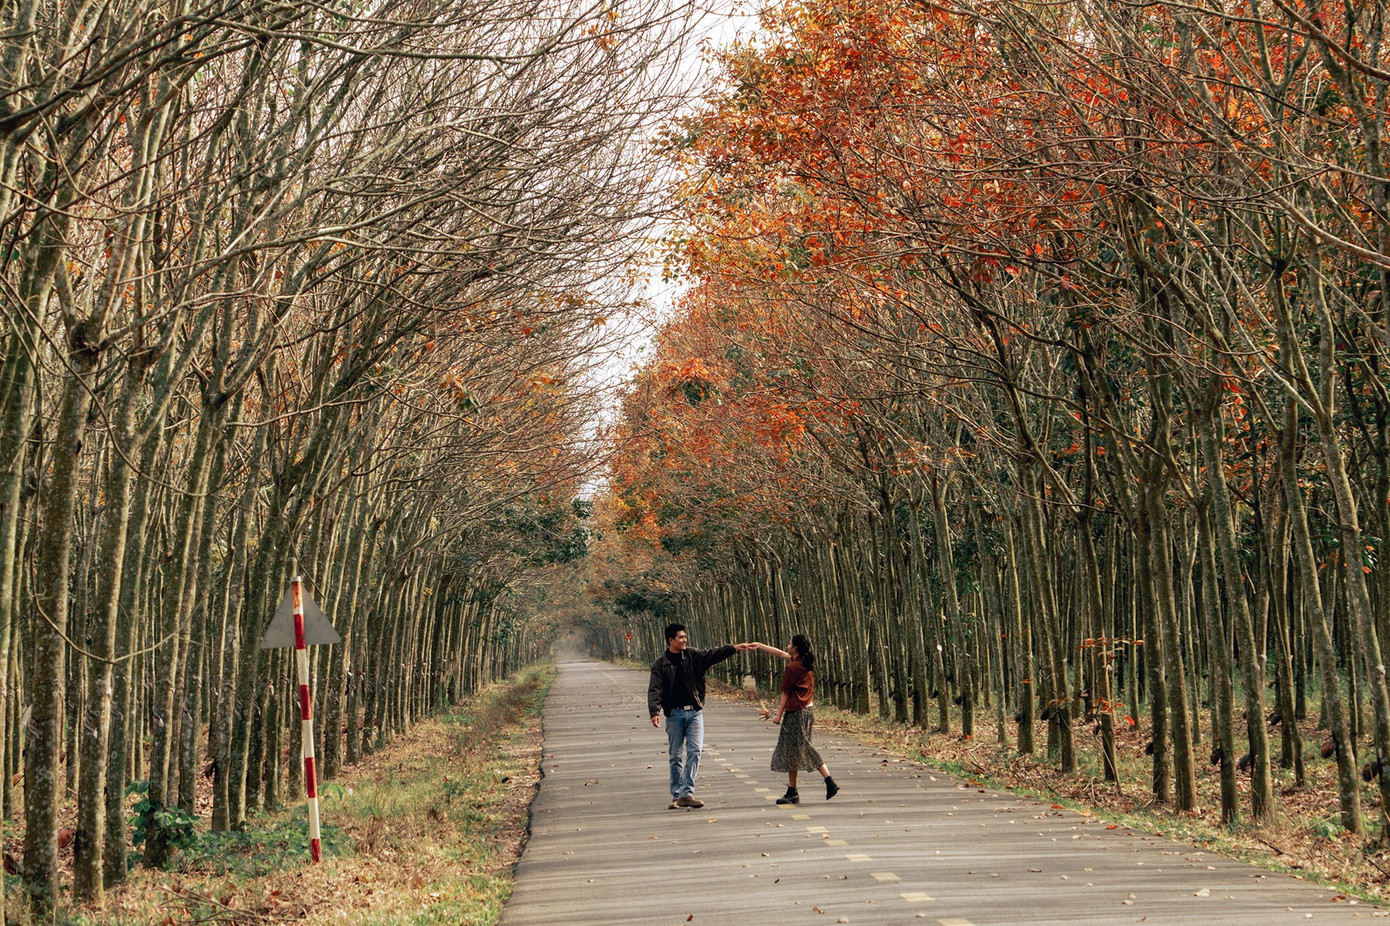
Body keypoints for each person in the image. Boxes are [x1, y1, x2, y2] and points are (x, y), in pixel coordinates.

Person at [648, 624, 754, 809]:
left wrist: (734, 648)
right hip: (674, 714)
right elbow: (655, 689)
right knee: (675, 755)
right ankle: (676, 795)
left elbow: (712, 654)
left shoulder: (692, 656)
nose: (684, 640)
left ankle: (686, 793)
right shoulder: (660, 664)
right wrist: (654, 711)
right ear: (670, 640)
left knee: (695, 751)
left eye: (685, 637)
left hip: (695, 712)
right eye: (680, 637)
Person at [751, 634, 839, 804]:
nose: (787, 645)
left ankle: (829, 781)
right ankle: (792, 791)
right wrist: (760, 645)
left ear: (796, 648)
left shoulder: (792, 668)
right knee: (793, 751)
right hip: (807, 712)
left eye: (790, 643)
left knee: (803, 747)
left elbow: (785, 693)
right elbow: (779, 654)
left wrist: (778, 715)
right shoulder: (805, 662)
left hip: (796, 713)